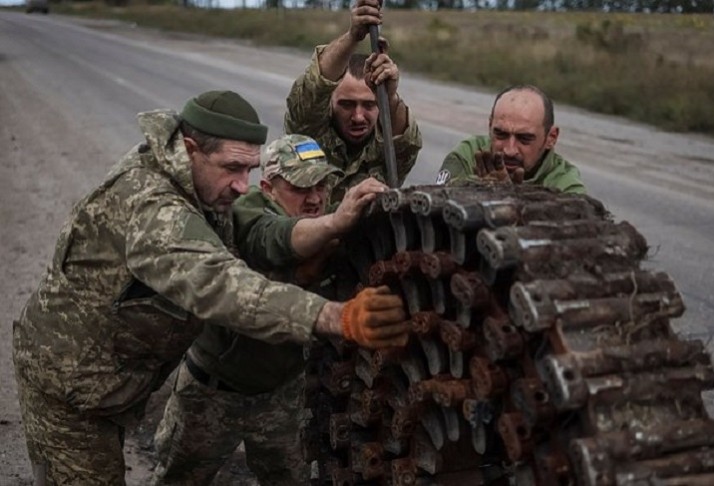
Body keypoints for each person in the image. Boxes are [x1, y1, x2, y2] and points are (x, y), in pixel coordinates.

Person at [12, 90, 410, 485]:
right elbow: (218, 284)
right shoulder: (154, 209)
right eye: (232, 168)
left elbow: (263, 234)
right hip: (69, 389)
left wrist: (334, 227)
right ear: (190, 149)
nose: (242, 186)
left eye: (249, 171)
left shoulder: (199, 189)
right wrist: (335, 315)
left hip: (111, 383)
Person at [152, 134, 376, 485]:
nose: (316, 198)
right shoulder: (244, 213)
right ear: (268, 187)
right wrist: (333, 226)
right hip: (213, 393)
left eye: (321, 184)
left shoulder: (320, 226)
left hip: (280, 395)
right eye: (301, 187)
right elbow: (273, 238)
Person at [284, 0, 422, 202]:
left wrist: (389, 96)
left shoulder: (387, 151)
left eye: (369, 105)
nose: (358, 117)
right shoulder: (311, 135)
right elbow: (310, 94)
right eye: (346, 104)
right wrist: (353, 37)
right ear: (330, 102)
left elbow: (405, 143)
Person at [436, 84, 587, 194]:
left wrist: (513, 201)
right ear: (490, 126)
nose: (509, 150)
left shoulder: (565, 186)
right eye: (501, 134)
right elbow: (433, 208)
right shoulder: (468, 155)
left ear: (551, 138)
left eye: (525, 138)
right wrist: (474, 189)